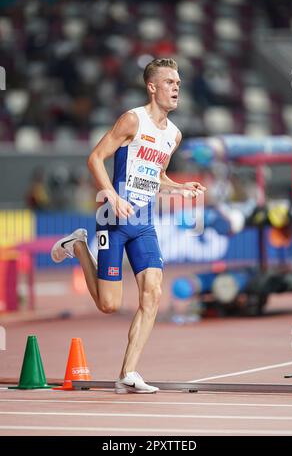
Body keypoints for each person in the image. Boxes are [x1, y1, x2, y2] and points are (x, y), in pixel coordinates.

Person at [51, 58, 206, 393]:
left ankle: (128, 372)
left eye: (178, 82)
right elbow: (95, 157)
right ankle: (78, 245)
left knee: (152, 294)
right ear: (152, 87)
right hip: (114, 219)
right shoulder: (132, 119)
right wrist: (109, 193)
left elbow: (157, 176)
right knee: (108, 305)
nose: (176, 87)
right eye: (169, 82)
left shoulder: (174, 135)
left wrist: (180, 187)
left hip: (144, 222)